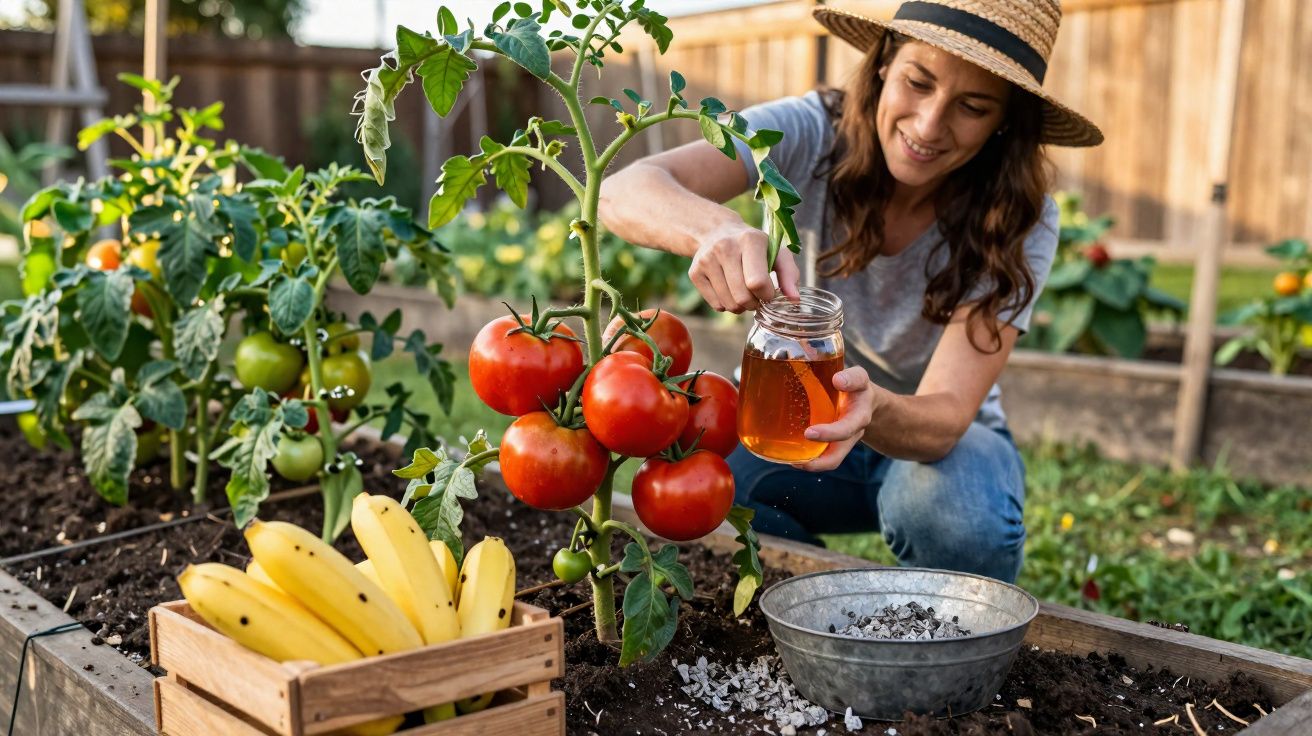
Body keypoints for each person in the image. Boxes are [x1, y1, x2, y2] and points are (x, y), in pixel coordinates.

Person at [598, 0, 1102, 584]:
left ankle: (953, 639)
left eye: (972, 107)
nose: (930, 125)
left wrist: (870, 407)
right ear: (884, 63)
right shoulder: (807, 133)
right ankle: (819, 594)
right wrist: (718, 228)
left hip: (931, 445)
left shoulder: (1022, 216)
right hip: (793, 423)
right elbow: (625, 190)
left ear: (1004, 122)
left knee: (959, 517)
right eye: (919, 81)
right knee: (709, 496)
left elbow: (943, 420)